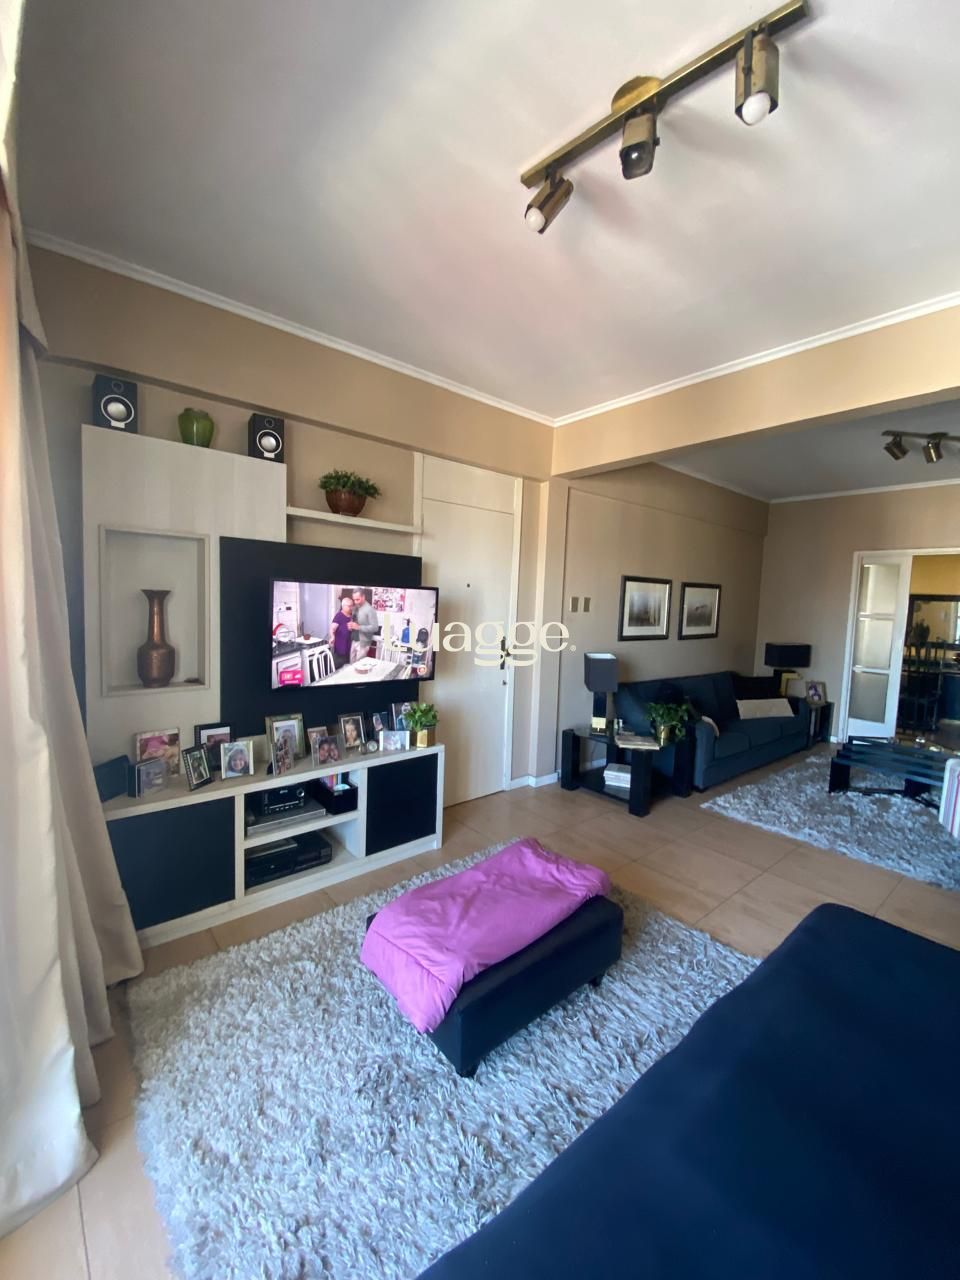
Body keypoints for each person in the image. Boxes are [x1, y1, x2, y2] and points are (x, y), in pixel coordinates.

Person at [348, 588, 379, 663]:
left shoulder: (370, 610)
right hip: (354, 640)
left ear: (363, 597)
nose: (355, 602)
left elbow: (375, 627)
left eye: (357, 599)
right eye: (354, 600)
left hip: (363, 642)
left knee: (359, 666)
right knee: (351, 664)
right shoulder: (356, 607)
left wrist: (358, 627)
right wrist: (351, 626)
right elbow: (355, 620)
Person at [329, 595, 354, 670]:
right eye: (349, 606)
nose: (351, 608)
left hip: (349, 647)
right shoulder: (339, 616)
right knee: (339, 668)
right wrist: (332, 637)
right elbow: (332, 629)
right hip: (341, 648)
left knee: (347, 668)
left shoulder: (351, 615)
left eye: (352, 606)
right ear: (343, 606)